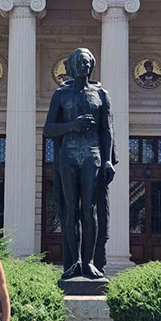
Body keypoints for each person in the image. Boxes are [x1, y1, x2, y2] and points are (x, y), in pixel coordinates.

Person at [43, 47, 116, 279]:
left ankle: (90, 262)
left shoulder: (101, 94)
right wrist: (71, 126)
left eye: (88, 63)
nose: (85, 67)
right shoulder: (61, 95)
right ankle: (73, 263)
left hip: (92, 154)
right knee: (70, 210)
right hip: (69, 155)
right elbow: (48, 129)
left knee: (89, 210)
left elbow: (107, 130)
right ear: (72, 67)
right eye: (81, 63)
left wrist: (108, 160)